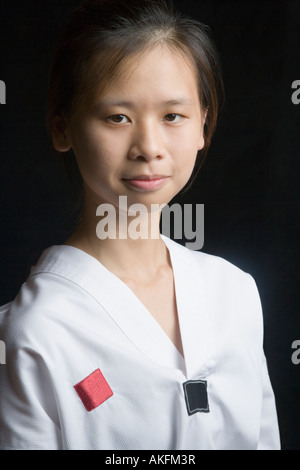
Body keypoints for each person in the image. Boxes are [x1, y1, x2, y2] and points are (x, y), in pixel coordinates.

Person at [0, 0, 280, 450]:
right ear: (62, 128)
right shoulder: (34, 332)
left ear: (203, 124)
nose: (149, 147)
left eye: (173, 116)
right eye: (117, 117)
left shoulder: (235, 292)